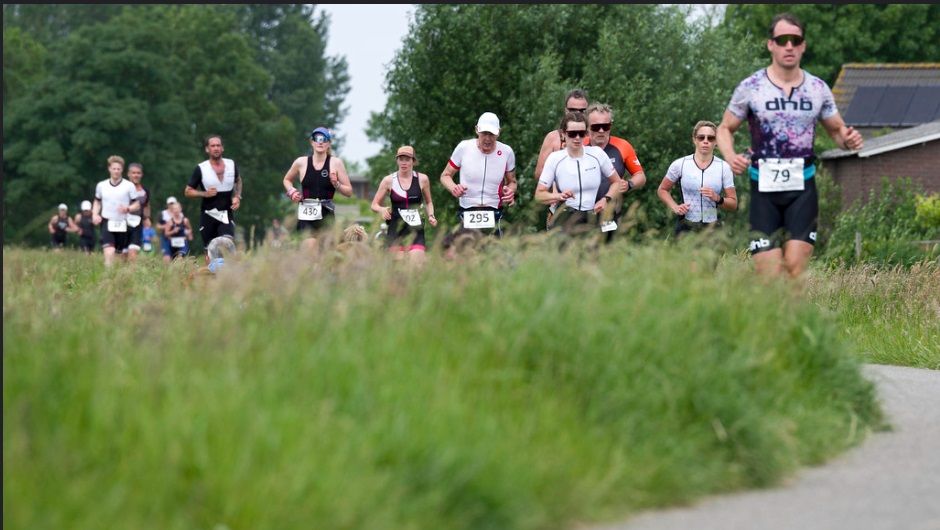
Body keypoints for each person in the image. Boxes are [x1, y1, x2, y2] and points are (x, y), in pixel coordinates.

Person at [717, 12, 863, 278]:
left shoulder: (817, 88)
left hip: (802, 188)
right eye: (782, 40)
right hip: (763, 189)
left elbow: (837, 131)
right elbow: (725, 128)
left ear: (803, 46)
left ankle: (794, 306)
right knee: (769, 274)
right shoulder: (751, 86)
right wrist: (730, 156)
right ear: (770, 44)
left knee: (795, 268)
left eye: (795, 40)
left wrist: (849, 140)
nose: (789, 46)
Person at [534, 111, 621, 238]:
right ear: (564, 134)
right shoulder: (555, 158)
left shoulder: (597, 154)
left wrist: (605, 199)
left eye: (581, 133)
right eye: (572, 134)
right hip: (566, 216)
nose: (577, 138)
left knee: (608, 243)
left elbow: (617, 182)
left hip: (594, 215)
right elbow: (539, 195)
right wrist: (558, 196)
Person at [440, 111, 517, 238]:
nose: (487, 138)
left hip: (494, 210)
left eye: (491, 134)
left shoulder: (506, 152)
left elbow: (512, 182)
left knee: (495, 249)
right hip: (467, 209)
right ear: (477, 130)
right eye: (484, 133)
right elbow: (445, 175)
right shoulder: (464, 148)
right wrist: (454, 188)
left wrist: (510, 191)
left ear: (498, 132)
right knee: (460, 247)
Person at [658, 120, 737, 237]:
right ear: (694, 139)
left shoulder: (724, 167)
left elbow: (733, 204)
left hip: (712, 227)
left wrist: (717, 198)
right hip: (686, 225)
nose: (706, 141)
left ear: (716, 142)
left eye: (710, 138)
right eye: (701, 137)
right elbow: (662, 190)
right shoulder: (680, 164)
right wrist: (675, 207)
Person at [282, 127, 354, 252]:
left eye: (324, 139)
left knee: (326, 252)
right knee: (310, 245)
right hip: (306, 214)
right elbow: (287, 180)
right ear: (312, 142)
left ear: (329, 143)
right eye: (317, 139)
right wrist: (292, 192)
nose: (320, 142)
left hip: (326, 215)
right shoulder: (301, 162)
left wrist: (336, 184)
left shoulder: (336, 163)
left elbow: (349, 192)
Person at [586, 102, 647, 242]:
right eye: (596, 127)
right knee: (580, 250)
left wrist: (629, 184)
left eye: (606, 126)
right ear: (587, 127)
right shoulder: (579, 145)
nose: (601, 131)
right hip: (581, 214)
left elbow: (641, 176)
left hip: (609, 213)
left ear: (611, 126)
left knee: (607, 247)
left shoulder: (622, 146)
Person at [533, 89, 590, 227]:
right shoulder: (554, 137)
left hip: (590, 207)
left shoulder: (594, 137)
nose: (577, 113)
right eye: (572, 110)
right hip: (561, 206)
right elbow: (539, 174)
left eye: (582, 110)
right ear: (565, 110)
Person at [370, 145, 438, 261]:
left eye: (407, 159)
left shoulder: (423, 179)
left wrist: (431, 215)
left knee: (416, 263)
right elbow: (374, 205)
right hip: (395, 229)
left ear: (413, 161)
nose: (404, 162)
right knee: (399, 266)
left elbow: (429, 202)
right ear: (397, 161)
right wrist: (382, 210)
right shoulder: (388, 180)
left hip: (416, 229)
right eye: (401, 159)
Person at [184, 134, 243, 262]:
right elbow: (187, 191)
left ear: (222, 148)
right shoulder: (201, 168)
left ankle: (226, 272)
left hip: (226, 214)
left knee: (226, 244)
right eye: (213, 146)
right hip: (208, 215)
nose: (216, 148)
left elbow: (238, 180)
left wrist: (237, 196)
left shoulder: (231, 164)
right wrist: (204, 194)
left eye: (218, 145)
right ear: (207, 149)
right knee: (210, 252)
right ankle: (211, 273)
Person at [92, 155, 140, 267]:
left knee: (119, 255)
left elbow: (137, 204)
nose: (116, 171)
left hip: (122, 223)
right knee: (109, 251)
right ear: (109, 169)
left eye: (118, 169)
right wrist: (94, 214)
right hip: (107, 221)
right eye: (114, 168)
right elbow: (97, 201)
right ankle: (107, 273)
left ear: (122, 170)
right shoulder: (101, 185)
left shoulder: (129, 186)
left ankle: (116, 275)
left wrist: (128, 208)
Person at [124, 162, 151, 262]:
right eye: (133, 173)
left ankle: (131, 271)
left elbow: (146, 205)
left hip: (137, 224)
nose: (136, 175)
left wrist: (147, 218)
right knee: (123, 254)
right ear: (128, 174)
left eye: (138, 173)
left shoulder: (145, 191)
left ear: (141, 174)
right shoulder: (122, 188)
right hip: (122, 223)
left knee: (133, 252)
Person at [158, 196, 180, 263]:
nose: (171, 205)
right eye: (170, 203)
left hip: (177, 238)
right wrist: (167, 226)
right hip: (166, 238)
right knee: (166, 256)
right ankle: (166, 269)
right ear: (167, 204)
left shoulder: (179, 213)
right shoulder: (163, 213)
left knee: (177, 257)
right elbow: (158, 226)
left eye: (173, 203)